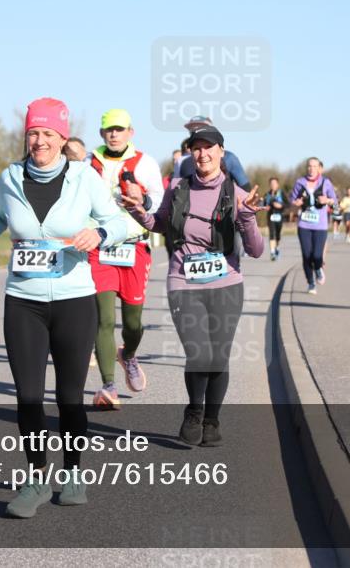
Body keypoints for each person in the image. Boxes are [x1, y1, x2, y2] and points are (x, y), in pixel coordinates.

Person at [0, 97, 128, 518]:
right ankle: (37, 477)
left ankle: (73, 474)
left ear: (61, 137)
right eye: (33, 133)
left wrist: (99, 233)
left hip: (75, 300)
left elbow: (123, 223)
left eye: (48, 134)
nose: (39, 141)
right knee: (28, 395)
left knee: (70, 397)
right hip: (24, 301)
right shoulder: (10, 176)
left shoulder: (84, 177)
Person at [122, 124, 263, 447]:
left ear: (221, 153)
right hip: (183, 281)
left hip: (226, 282)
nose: (201, 154)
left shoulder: (237, 194)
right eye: (195, 148)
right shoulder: (179, 188)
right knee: (199, 352)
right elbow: (160, 222)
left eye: (207, 147)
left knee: (219, 356)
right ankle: (194, 411)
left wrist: (248, 217)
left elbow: (255, 250)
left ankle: (212, 420)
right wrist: (140, 214)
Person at [84, 108, 164, 409]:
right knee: (103, 319)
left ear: (131, 132)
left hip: (134, 247)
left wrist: (142, 199)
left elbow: (159, 198)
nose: (114, 134)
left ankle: (128, 354)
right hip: (99, 248)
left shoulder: (145, 163)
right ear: (102, 133)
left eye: (119, 129)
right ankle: (108, 386)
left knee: (134, 324)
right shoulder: (89, 162)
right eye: (109, 130)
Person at [291, 157, 336, 294]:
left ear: (319, 168)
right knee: (306, 255)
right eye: (309, 166)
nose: (311, 169)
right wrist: (296, 202)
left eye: (314, 166)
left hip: (320, 225)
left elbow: (334, 200)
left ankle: (318, 269)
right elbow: (293, 199)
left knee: (317, 255)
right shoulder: (300, 182)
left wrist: (327, 200)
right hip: (304, 225)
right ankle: (311, 283)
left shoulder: (325, 183)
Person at [173, 116, 250, 191]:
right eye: (192, 129)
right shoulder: (182, 162)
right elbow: (176, 191)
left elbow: (245, 188)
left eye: (201, 127)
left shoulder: (229, 158)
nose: (197, 131)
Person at [263, 177, 286, 261]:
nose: (273, 185)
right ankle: (272, 252)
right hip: (271, 217)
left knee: (278, 235)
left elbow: (288, 204)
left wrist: (281, 205)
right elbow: (263, 204)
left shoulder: (281, 193)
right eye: (271, 184)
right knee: (272, 234)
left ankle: (277, 248)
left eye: (274, 183)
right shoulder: (267, 194)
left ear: (277, 184)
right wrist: (266, 207)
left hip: (280, 216)